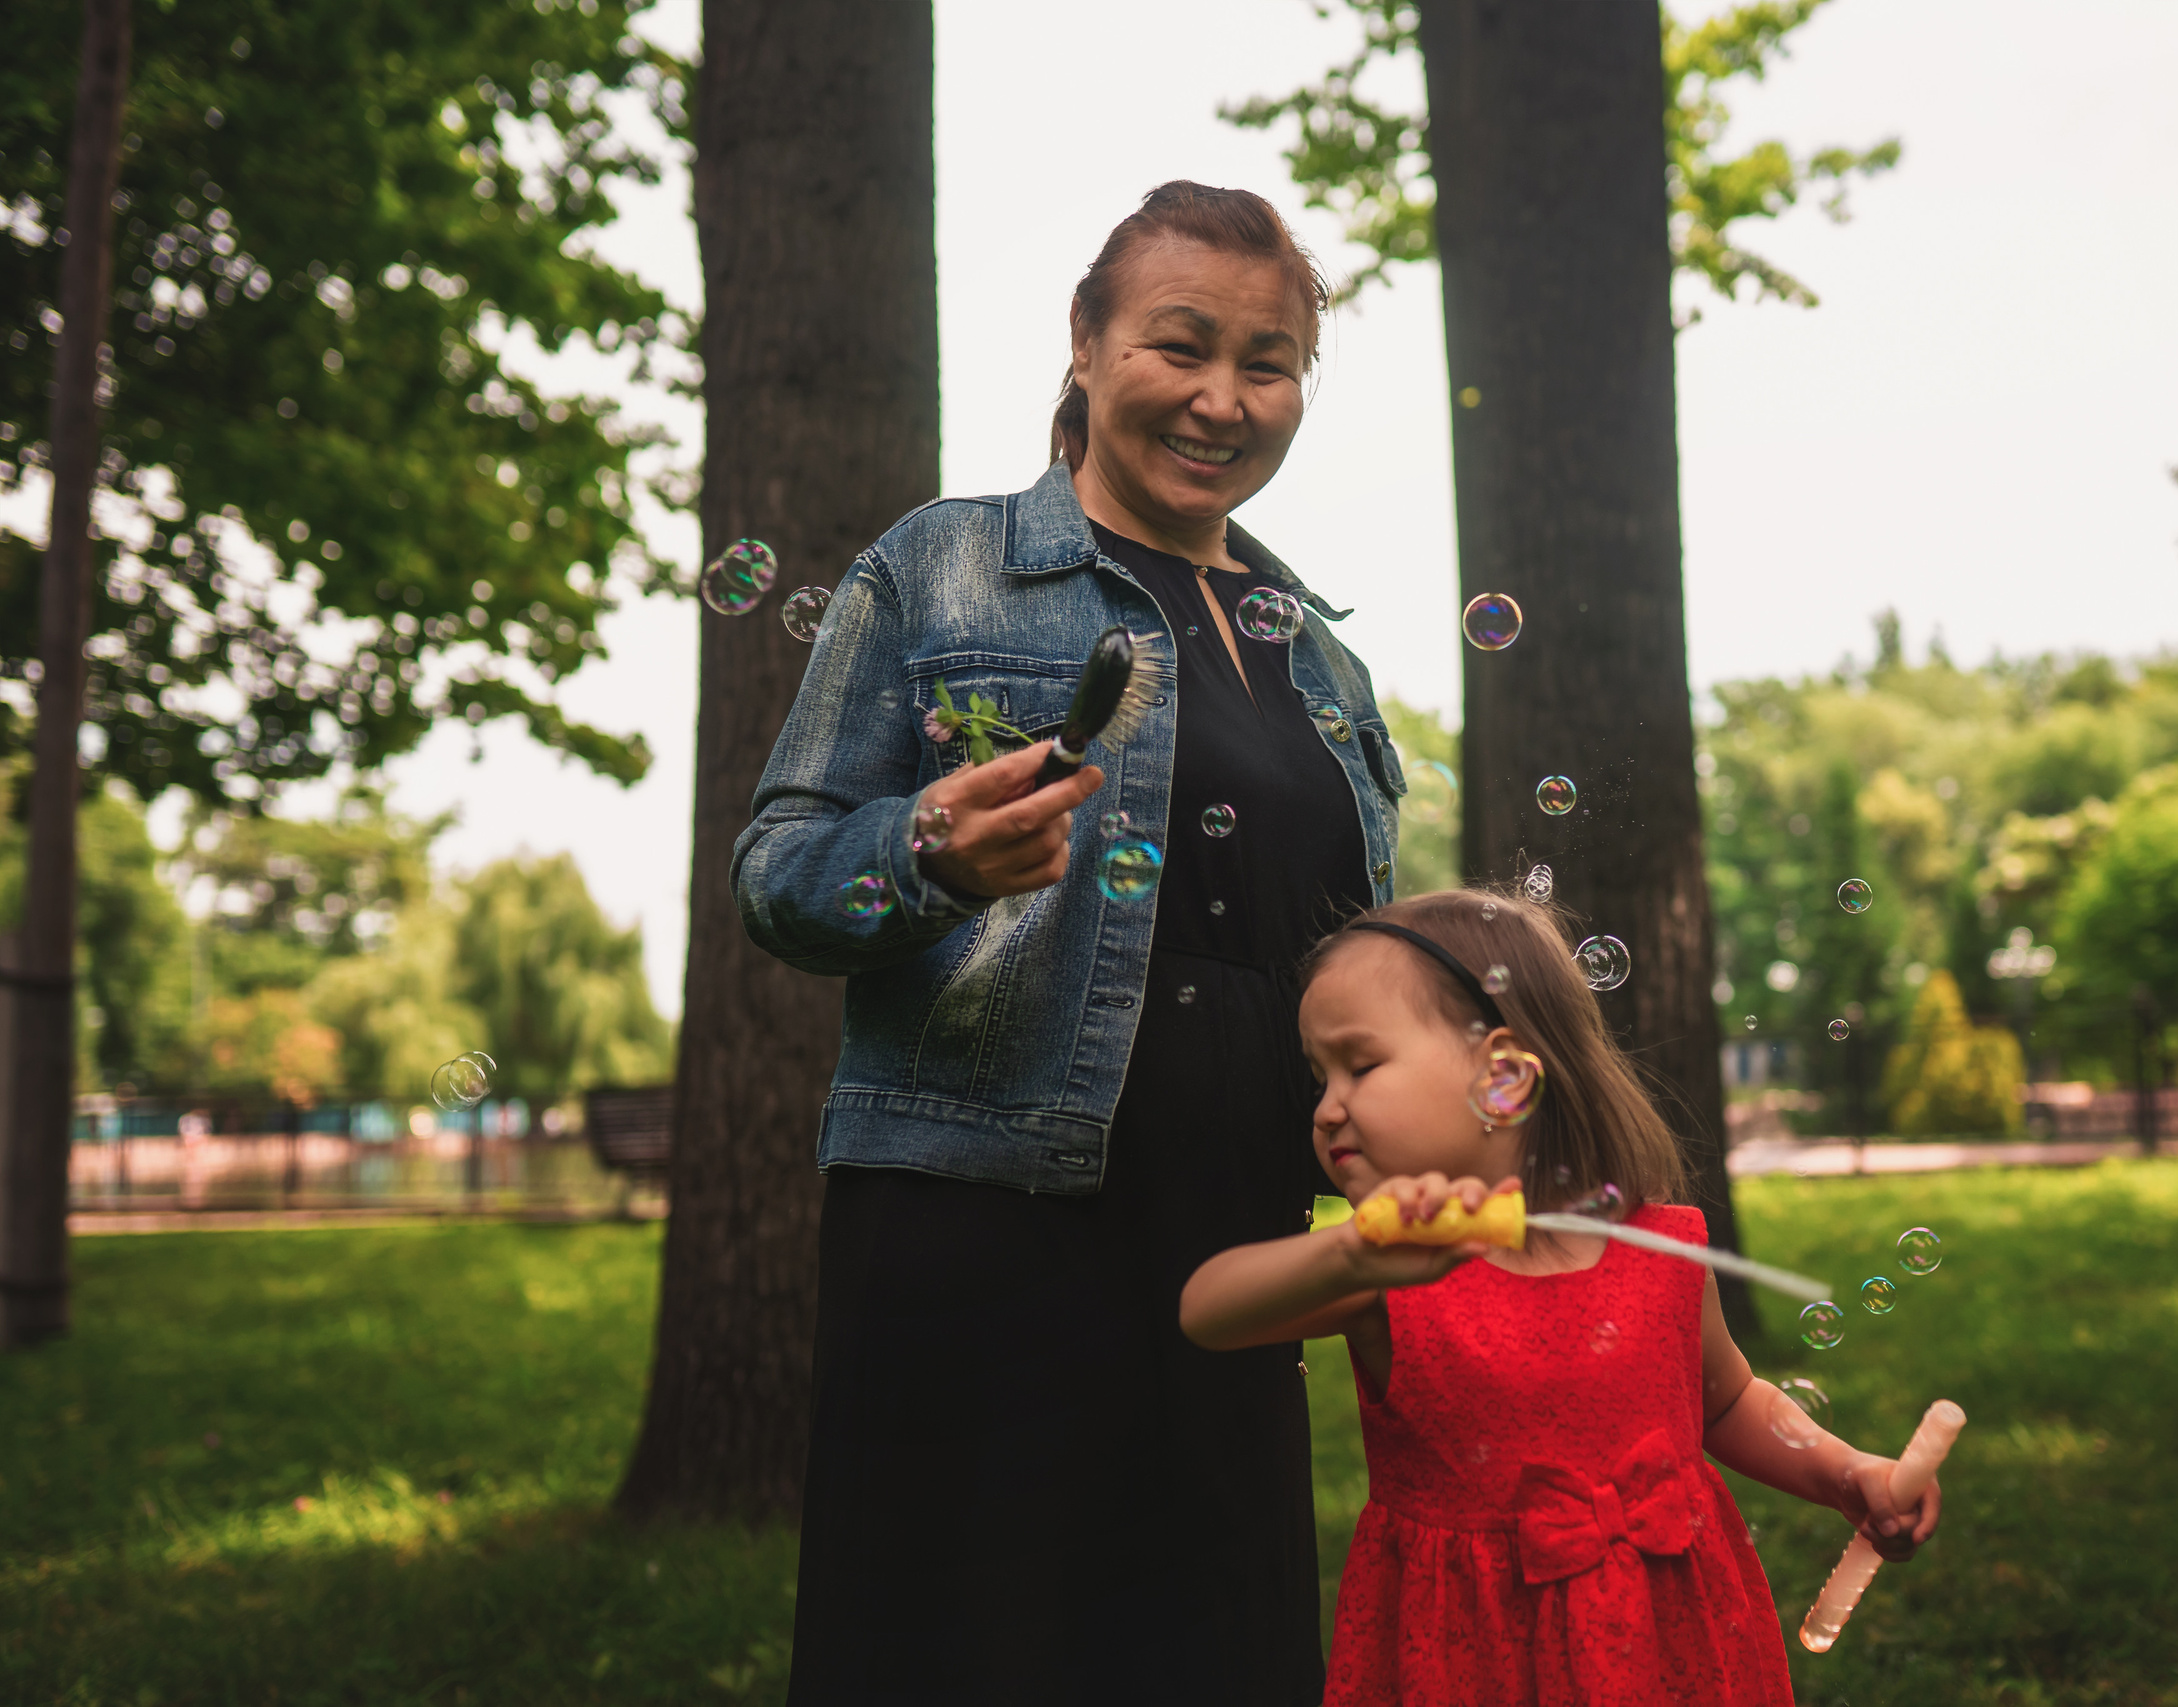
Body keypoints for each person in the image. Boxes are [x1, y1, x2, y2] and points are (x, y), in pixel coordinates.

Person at [736, 182, 1403, 1705]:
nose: (1223, 399)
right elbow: (777, 876)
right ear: (1088, 345)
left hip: (1233, 1244)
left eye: (1269, 362)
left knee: (1210, 1656)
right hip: (982, 1234)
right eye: (1181, 345)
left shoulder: (1321, 651)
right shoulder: (941, 567)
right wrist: (927, 854)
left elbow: (1349, 969)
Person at [1182, 889, 1946, 1706]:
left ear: (1504, 1079)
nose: (1327, 1107)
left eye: (1359, 1066)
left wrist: (1842, 1471)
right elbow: (1205, 1311)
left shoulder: (1661, 1246)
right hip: (1470, 1654)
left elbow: (1725, 1403)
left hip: (1667, 1637)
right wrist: (1348, 1252)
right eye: (1318, 1077)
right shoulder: (1387, 1268)